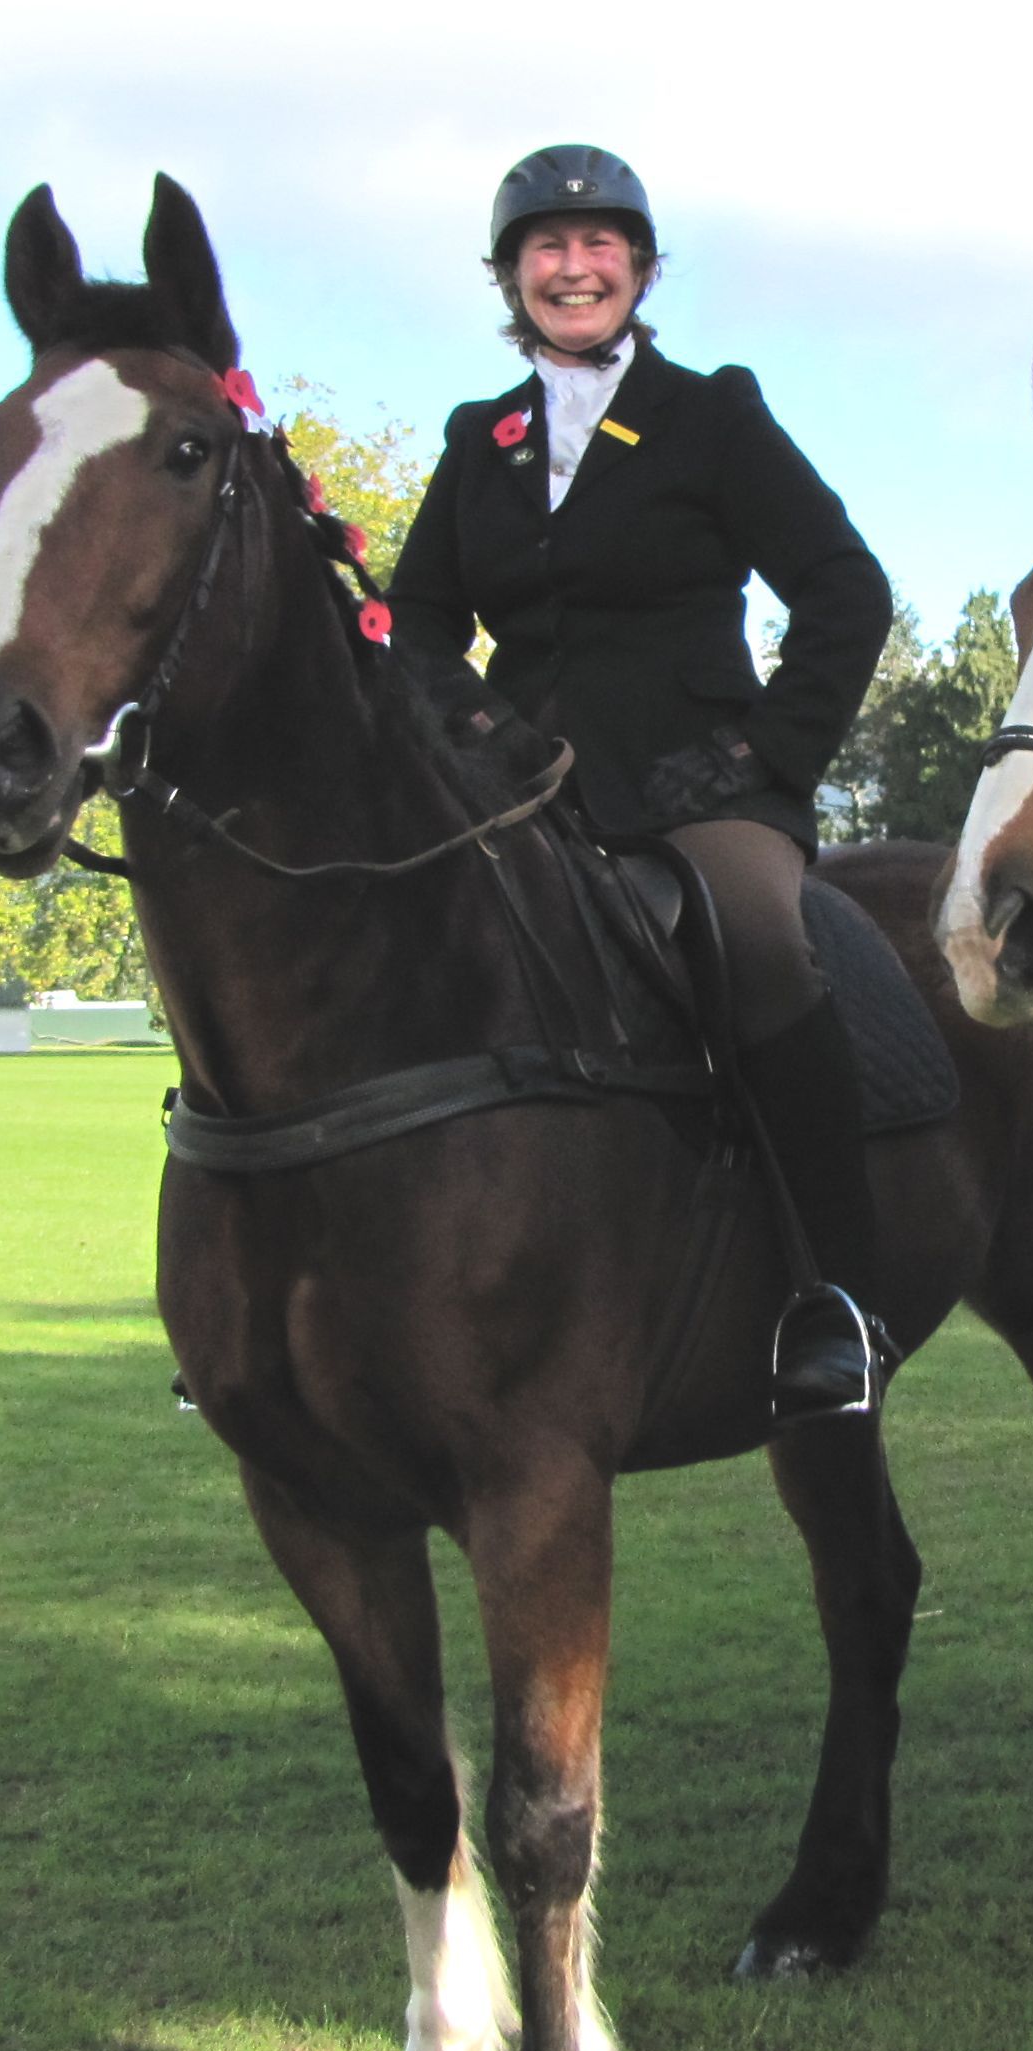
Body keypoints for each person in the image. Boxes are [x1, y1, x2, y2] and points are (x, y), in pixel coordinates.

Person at [388, 144, 897, 1424]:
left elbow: (845, 590)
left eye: (600, 244)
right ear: (511, 281)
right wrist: (480, 728)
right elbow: (418, 625)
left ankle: (841, 1295)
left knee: (760, 939)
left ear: (643, 267)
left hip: (704, 781)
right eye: (545, 250)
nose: (574, 266)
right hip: (524, 793)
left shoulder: (712, 414)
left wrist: (769, 755)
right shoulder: (477, 440)